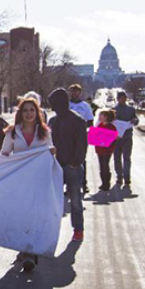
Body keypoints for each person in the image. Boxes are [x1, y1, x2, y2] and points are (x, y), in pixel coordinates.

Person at [0, 98, 56, 272]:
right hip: (19, 181)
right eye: (25, 110)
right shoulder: (12, 132)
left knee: (35, 216)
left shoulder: (45, 132)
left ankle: (31, 253)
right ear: (20, 113)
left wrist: (52, 152)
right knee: (21, 216)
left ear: (37, 113)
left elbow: (49, 154)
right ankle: (24, 248)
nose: (29, 114)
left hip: (39, 181)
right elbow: (4, 153)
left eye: (32, 110)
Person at [48, 88, 88, 242]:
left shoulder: (77, 120)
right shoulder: (52, 121)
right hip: (55, 166)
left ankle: (78, 229)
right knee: (53, 201)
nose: (52, 108)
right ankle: (52, 229)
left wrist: (74, 163)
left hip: (72, 167)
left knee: (76, 201)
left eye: (54, 104)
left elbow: (81, 145)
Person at [69, 84, 94, 194]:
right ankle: (69, 186)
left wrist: (83, 130)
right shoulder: (67, 105)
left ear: (80, 93)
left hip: (81, 137)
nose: (74, 93)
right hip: (67, 137)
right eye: (72, 91)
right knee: (68, 161)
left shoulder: (85, 106)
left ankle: (83, 184)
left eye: (77, 91)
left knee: (81, 160)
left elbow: (90, 122)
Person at [113, 91, 139, 187]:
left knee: (127, 158)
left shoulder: (131, 109)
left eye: (124, 97)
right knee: (117, 158)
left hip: (128, 137)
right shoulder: (113, 110)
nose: (123, 99)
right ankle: (119, 176)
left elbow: (136, 119)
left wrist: (135, 121)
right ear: (118, 98)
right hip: (116, 138)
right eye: (121, 98)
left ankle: (127, 177)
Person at [94, 109, 118, 192]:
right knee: (102, 166)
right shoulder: (100, 125)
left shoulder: (111, 127)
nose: (100, 117)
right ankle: (103, 182)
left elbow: (113, 139)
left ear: (106, 117)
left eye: (101, 115)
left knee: (105, 165)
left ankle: (106, 183)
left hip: (106, 150)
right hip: (99, 149)